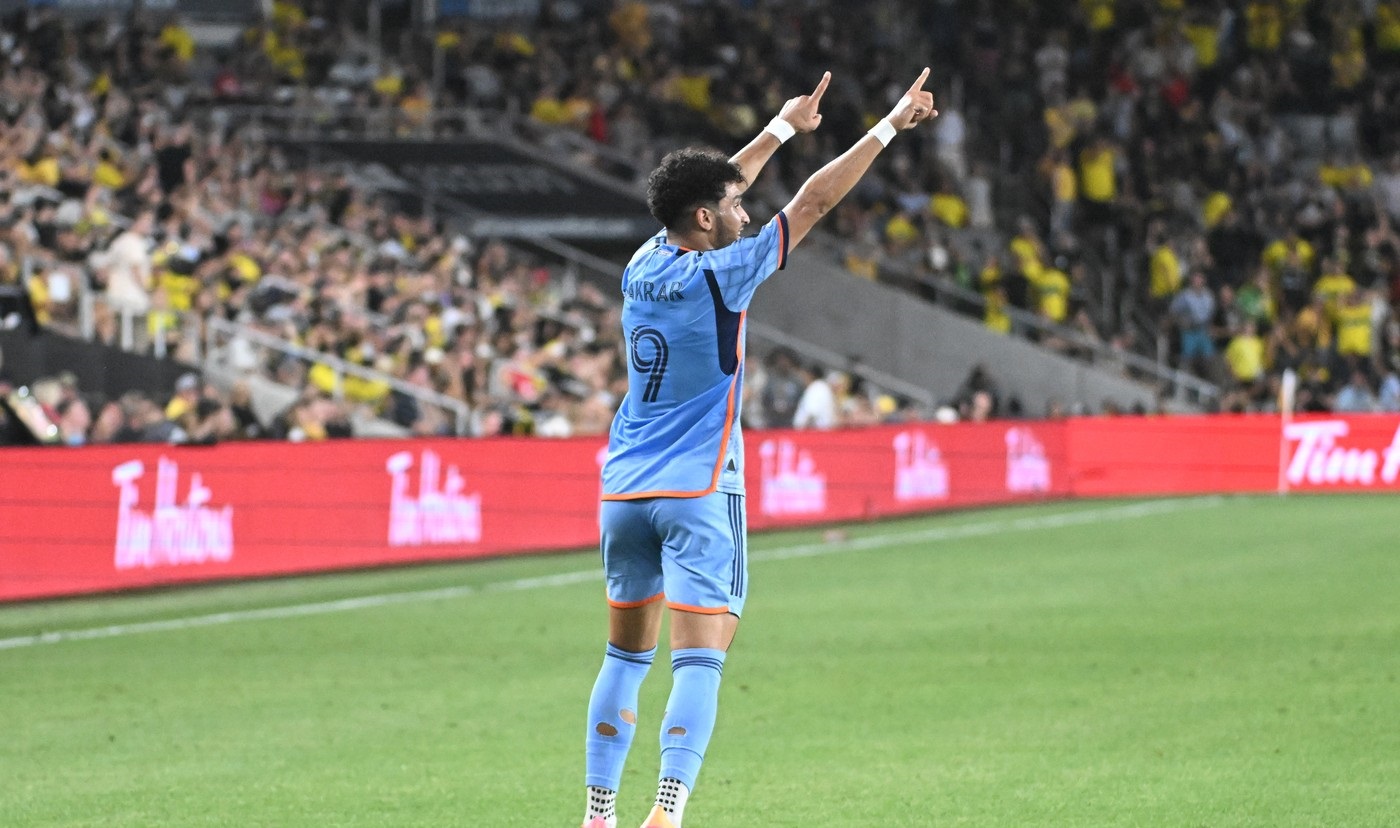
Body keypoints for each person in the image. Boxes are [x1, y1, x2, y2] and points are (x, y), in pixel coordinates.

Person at [582, 69, 937, 828]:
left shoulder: (643, 264)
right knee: (700, 660)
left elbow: (713, 187)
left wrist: (780, 126)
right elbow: (811, 202)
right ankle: (667, 812)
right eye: (734, 207)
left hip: (623, 489)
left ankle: (598, 814)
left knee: (623, 659)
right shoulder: (723, 274)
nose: (745, 210)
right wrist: (886, 126)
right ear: (706, 221)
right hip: (700, 487)